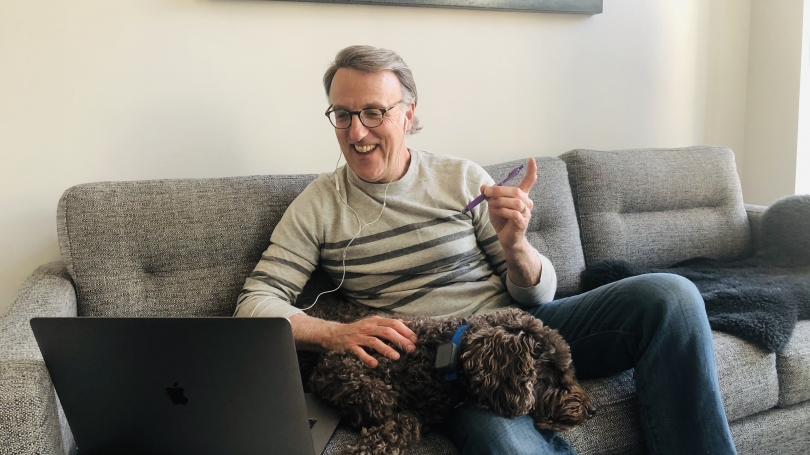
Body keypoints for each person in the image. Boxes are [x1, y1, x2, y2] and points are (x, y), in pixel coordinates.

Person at [234, 45, 737, 455]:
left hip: (518, 330)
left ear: (408, 115)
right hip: (443, 368)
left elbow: (538, 299)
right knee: (503, 444)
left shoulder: (460, 178)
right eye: (342, 114)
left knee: (671, 295)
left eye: (373, 112)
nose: (356, 132)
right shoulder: (318, 205)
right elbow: (254, 303)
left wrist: (516, 245)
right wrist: (334, 334)